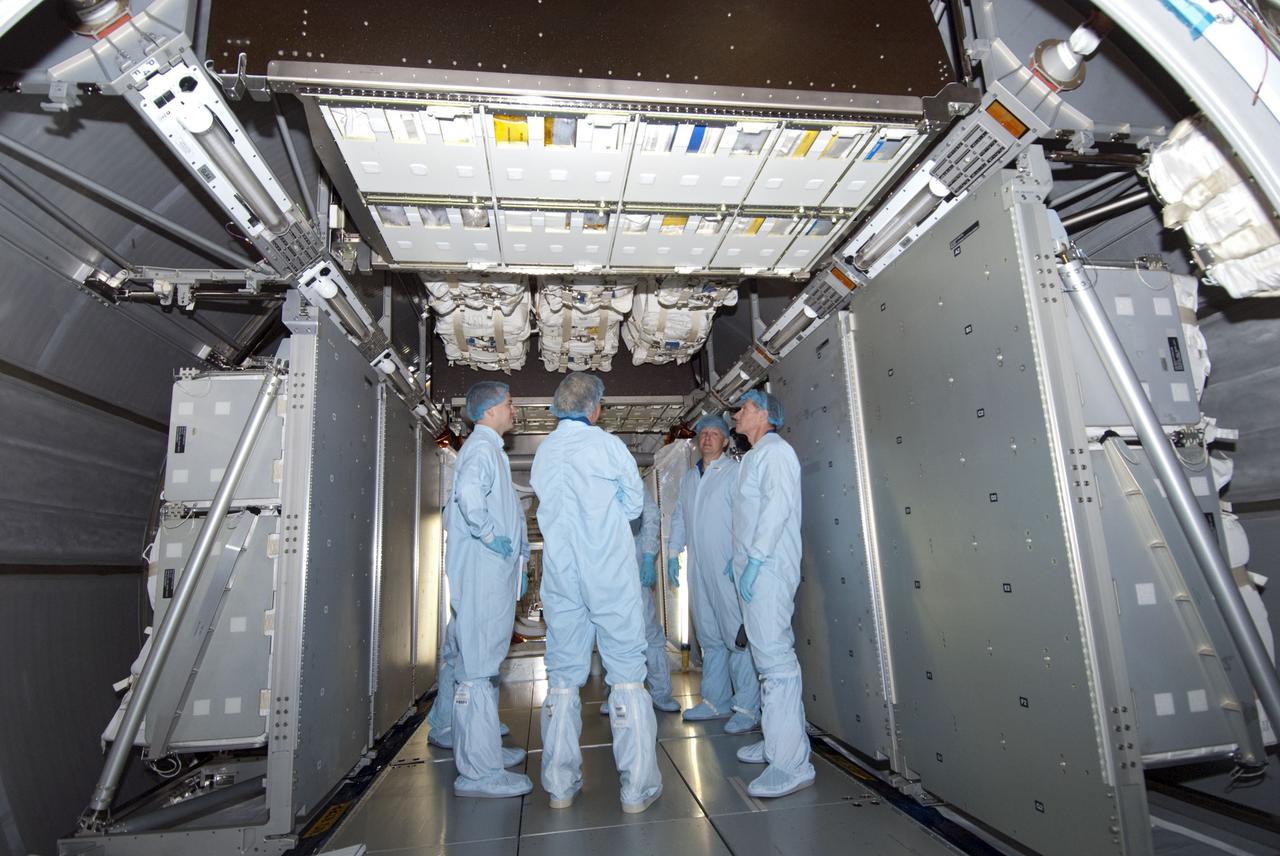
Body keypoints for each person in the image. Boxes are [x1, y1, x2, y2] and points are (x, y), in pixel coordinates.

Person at [530, 372, 663, 814]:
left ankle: (560, 786)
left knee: (564, 677)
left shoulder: (545, 452)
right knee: (626, 673)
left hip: (562, 577)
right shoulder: (607, 446)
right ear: (595, 408)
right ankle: (637, 788)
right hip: (608, 571)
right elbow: (633, 505)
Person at [442, 381, 531, 798]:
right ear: (491, 409)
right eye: (510, 404)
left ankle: (485, 751)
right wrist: (491, 535)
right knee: (476, 672)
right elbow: (468, 496)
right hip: (482, 575)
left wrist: (520, 560)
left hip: (492, 575)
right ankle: (478, 772)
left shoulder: (489, 450)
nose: (514, 410)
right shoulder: (480, 450)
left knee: (483, 667)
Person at [729, 389, 816, 798]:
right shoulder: (753, 457)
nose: (736, 414)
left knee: (776, 661)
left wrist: (758, 560)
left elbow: (776, 511)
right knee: (765, 660)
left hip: (769, 569)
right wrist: (740, 560)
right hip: (753, 568)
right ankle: (777, 739)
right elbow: (749, 516)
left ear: (763, 414)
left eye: (743, 408)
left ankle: (791, 763)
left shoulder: (777, 452)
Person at [667, 414, 760, 735]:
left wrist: (741, 557)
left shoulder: (735, 473)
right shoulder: (690, 477)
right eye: (703, 434)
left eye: (714, 434)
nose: (707, 438)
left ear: (725, 441)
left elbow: (748, 517)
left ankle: (747, 707)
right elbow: (680, 516)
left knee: (736, 637)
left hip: (727, 567)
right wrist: (671, 553)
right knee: (709, 636)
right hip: (698, 568)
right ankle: (715, 701)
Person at [600, 487, 681, 715]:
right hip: (603, 567)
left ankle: (660, 693)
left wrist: (648, 555)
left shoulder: (627, 475)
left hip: (634, 564)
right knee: (610, 632)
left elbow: (651, 514)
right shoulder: (593, 475)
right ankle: (615, 691)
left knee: (648, 631)